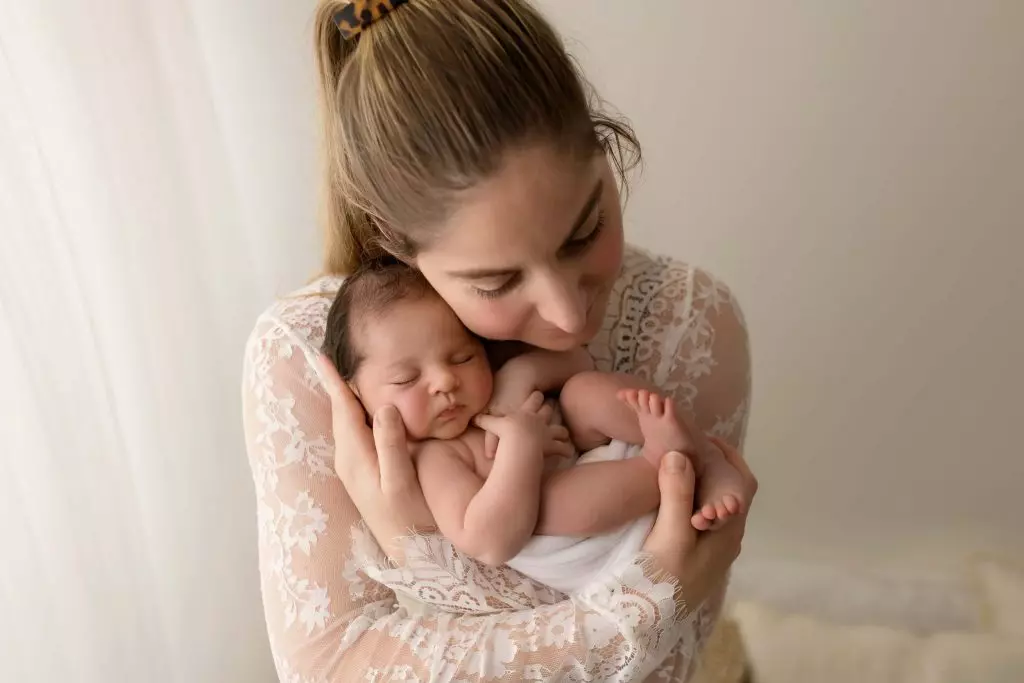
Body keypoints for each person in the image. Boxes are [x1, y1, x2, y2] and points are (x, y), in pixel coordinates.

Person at [241, 0, 758, 680]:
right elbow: (331, 667)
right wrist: (420, 541)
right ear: (398, 242)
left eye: (585, 231)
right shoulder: (306, 359)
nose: (570, 317)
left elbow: (673, 655)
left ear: (605, 146)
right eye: (495, 282)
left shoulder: (689, 318)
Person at [319, 262, 747, 593]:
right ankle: (665, 464)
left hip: (594, 457)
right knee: (548, 503)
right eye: (406, 379)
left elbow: (578, 360)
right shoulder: (433, 457)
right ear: (359, 395)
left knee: (582, 390)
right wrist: (520, 448)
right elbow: (488, 541)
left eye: (462, 357)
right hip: (588, 542)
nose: (445, 381)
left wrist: (520, 376)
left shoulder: (491, 388)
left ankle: (703, 455)